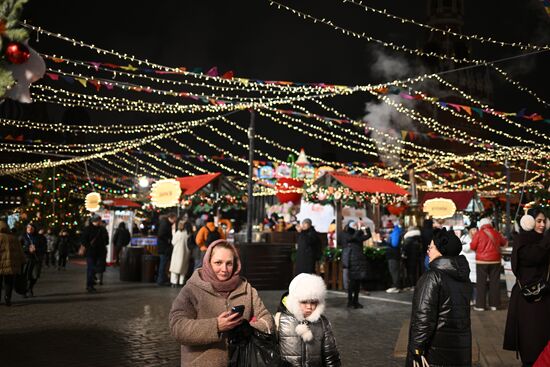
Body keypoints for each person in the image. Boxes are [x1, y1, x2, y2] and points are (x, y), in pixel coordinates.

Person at [169, 239, 274, 367]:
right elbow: (177, 327)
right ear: (208, 262)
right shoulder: (191, 289)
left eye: (229, 263)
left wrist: (248, 329)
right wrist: (216, 326)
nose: (224, 269)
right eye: (218, 263)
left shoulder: (247, 290)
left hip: (241, 362)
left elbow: (268, 321)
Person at [406, 228, 472, 367]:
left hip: (435, 351)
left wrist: (416, 349)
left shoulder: (432, 277)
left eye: (431, 247)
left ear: (441, 250)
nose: (428, 251)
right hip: (460, 350)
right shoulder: (462, 276)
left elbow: (423, 318)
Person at [503, 208, 550, 367]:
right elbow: (534, 256)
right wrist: (546, 241)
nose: (542, 225)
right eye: (538, 221)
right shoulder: (523, 239)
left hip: (545, 297)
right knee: (531, 340)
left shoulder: (545, 240)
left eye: (544, 221)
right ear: (529, 222)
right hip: (528, 300)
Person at [275, 273, 341, 366]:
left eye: (313, 302)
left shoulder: (322, 323)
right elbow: (272, 353)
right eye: (304, 302)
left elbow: (330, 355)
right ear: (294, 300)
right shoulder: (280, 320)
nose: (309, 307)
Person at [470, 217, 507, 311]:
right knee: (494, 283)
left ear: (481, 225)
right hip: (495, 261)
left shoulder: (478, 234)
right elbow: (504, 243)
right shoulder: (496, 233)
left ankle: (480, 305)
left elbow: (472, 246)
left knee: (481, 283)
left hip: (481, 261)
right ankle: (494, 305)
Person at [341, 220, 371, 308]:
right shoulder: (346, 234)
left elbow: (368, 236)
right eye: (353, 224)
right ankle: (350, 301)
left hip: (359, 260)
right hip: (352, 261)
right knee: (352, 282)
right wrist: (358, 229)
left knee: (357, 282)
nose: (355, 226)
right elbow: (352, 238)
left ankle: (355, 301)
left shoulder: (358, 234)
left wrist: (366, 227)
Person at [0, 221, 26, 306]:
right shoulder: (13, 238)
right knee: (9, 282)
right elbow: (20, 251)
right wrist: (22, 261)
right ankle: (8, 298)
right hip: (11, 265)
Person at [81, 215, 109, 292]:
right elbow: (83, 240)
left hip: (99, 252)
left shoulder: (102, 229)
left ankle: (92, 281)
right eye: (99, 220)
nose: (100, 222)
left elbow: (106, 241)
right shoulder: (88, 229)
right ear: (95, 221)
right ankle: (89, 285)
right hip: (91, 252)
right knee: (91, 268)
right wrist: (89, 246)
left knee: (95, 268)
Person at [20, 223, 42, 297]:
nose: (30, 229)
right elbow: (18, 247)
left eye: (32, 227)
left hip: (36, 258)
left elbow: (44, 247)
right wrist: (27, 249)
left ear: (34, 229)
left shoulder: (39, 237)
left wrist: (37, 249)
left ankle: (30, 288)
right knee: (26, 275)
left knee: (35, 275)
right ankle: (24, 291)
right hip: (26, 259)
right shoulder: (23, 237)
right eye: (28, 227)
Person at [169, 220, 192, 287]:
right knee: (183, 268)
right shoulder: (187, 234)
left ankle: (174, 282)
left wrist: (173, 232)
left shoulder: (177, 233)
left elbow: (173, 242)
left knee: (175, 268)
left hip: (176, 252)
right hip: (185, 252)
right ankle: (181, 282)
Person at [157, 212, 177, 286]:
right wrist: (168, 240)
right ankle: (161, 280)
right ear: (171, 218)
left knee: (163, 264)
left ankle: (162, 279)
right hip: (164, 248)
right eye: (175, 219)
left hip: (164, 247)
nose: (175, 221)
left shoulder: (166, 223)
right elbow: (161, 235)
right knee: (163, 264)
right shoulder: (165, 224)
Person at [460, 225, 478, 304]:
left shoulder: (477, 238)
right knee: (469, 283)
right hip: (468, 263)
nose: (475, 231)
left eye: (476, 229)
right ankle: (470, 299)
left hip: (475, 262)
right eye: (473, 229)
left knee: (475, 284)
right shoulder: (464, 238)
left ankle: (474, 299)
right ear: (470, 230)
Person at [402, 226, 422, 290]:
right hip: (417, 257)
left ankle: (411, 285)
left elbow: (405, 248)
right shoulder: (419, 238)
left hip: (409, 257)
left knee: (410, 272)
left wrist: (404, 254)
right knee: (416, 271)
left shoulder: (408, 238)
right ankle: (415, 285)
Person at [385, 221, 402, 293]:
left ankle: (396, 286)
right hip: (394, 254)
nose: (387, 229)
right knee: (394, 270)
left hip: (393, 255)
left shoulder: (395, 232)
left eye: (388, 228)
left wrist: (387, 240)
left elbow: (394, 244)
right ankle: (395, 286)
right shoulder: (395, 232)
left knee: (394, 271)